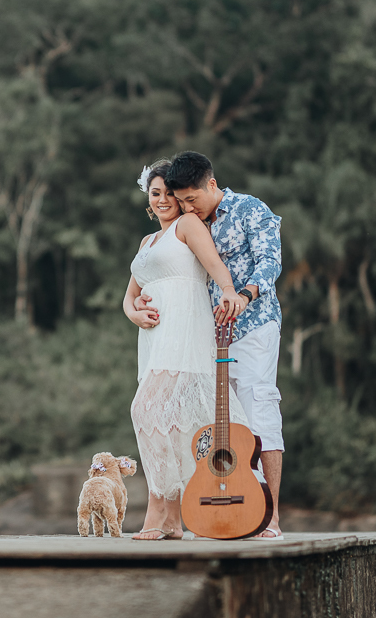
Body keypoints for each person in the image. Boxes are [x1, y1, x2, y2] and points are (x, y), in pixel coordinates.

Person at [138, 150, 285, 539]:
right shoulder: (185, 224)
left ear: (212, 185)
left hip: (252, 324)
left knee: (257, 410)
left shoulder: (250, 210)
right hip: (205, 334)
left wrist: (243, 294)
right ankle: (214, 510)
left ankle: (269, 517)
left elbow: (270, 262)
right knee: (211, 424)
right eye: (178, 199)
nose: (186, 207)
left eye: (191, 199)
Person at [122, 159, 248, 541]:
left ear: (179, 196)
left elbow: (215, 267)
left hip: (184, 332)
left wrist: (228, 291)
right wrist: (134, 313)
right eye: (154, 193)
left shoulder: (187, 226)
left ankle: (159, 510)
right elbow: (128, 298)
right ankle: (173, 520)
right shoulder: (147, 243)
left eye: (167, 193)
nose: (162, 200)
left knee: (146, 410)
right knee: (168, 422)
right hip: (155, 341)